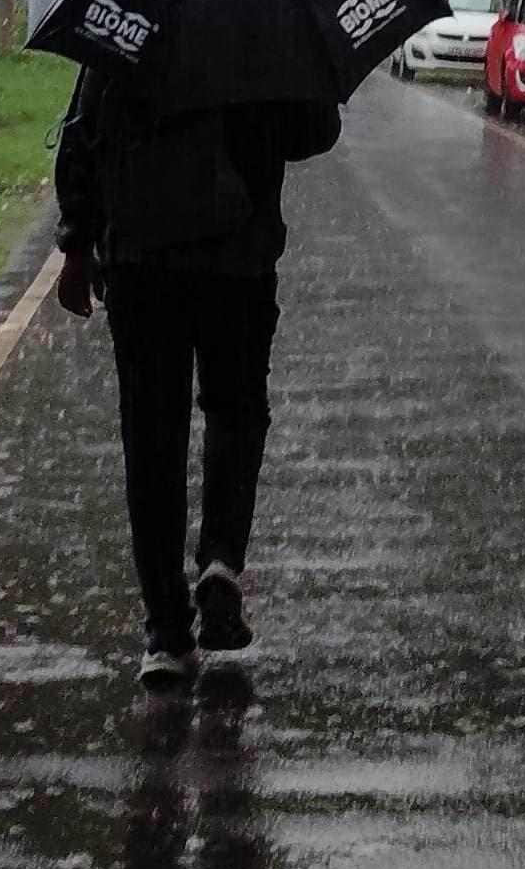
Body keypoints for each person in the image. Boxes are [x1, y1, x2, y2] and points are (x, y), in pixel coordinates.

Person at [53, 75, 342, 684]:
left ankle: (165, 630)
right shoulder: (262, 9)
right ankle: (220, 560)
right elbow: (314, 131)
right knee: (235, 409)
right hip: (238, 258)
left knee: (151, 436)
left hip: (141, 260)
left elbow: (83, 131)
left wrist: (78, 243)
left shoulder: (127, 3)